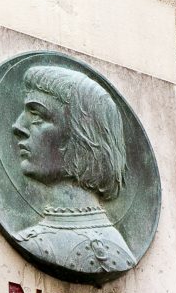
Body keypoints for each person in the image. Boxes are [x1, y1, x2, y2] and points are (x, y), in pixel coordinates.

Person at [11, 65, 136, 276]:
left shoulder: (38, 245)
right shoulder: (117, 245)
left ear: (81, 136)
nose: (18, 126)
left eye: (37, 116)